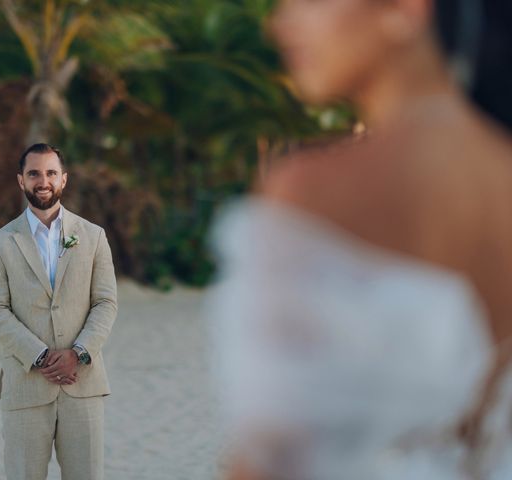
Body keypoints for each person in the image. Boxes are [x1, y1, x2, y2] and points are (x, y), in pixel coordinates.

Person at [209, 0, 512, 478]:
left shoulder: (314, 188)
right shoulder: (499, 175)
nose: (279, 25)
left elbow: (272, 458)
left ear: (406, 9)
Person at [0, 143, 117, 480]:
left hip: (82, 385)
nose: (44, 181)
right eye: (34, 173)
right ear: (20, 180)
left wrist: (78, 353)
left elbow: (105, 302)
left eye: (51, 173)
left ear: (64, 180)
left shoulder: (94, 237)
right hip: (25, 386)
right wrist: (41, 357)